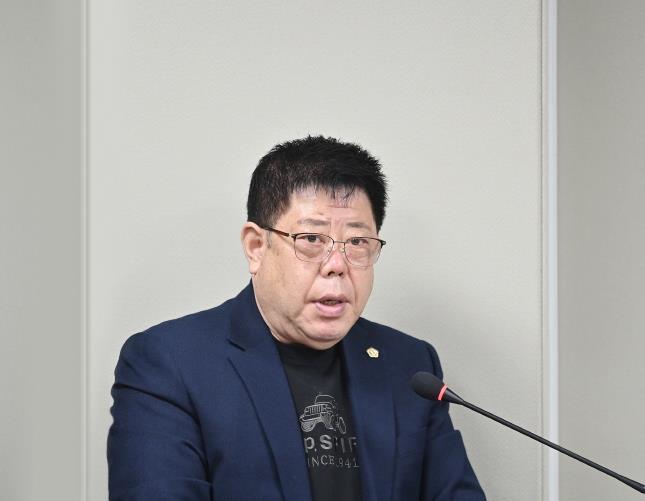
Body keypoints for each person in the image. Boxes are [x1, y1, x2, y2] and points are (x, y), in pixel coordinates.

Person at [107, 136, 486, 501]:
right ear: (256, 247)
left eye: (357, 243)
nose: (337, 265)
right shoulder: (169, 363)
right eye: (312, 239)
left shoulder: (409, 365)